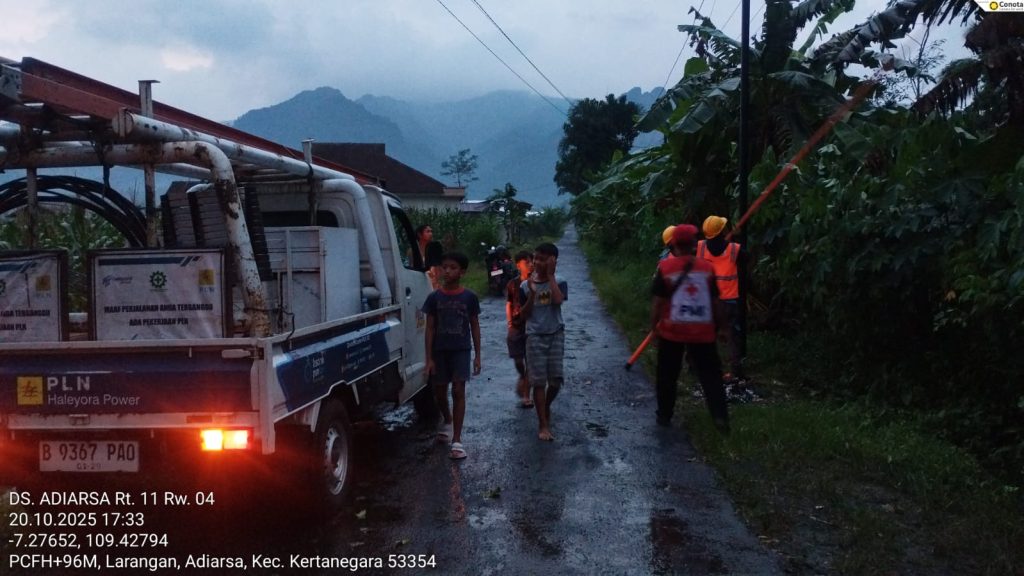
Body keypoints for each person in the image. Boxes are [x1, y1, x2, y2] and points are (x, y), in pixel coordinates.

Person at [650, 224, 729, 433]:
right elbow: (716, 302)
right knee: (711, 375)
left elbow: (657, 303)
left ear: (674, 244)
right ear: (694, 244)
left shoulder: (665, 268)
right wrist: (722, 328)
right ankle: (720, 417)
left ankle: (664, 415)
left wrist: (654, 328)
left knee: (667, 375)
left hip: (672, 331)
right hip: (702, 331)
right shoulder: (707, 268)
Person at [422, 251, 482, 460]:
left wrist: (478, 355)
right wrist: (428, 358)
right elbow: (429, 328)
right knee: (439, 392)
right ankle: (447, 419)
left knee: (458, 390)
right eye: (445, 267)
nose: (447, 271)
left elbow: (474, 325)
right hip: (439, 351)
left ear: (462, 272)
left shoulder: (469, 297)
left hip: (461, 350)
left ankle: (457, 439)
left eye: (453, 267)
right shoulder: (434, 298)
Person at [519, 242, 567, 441]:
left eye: (543, 259)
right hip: (534, 336)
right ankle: (543, 424)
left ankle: (546, 405)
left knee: (555, 381)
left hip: (555, 334)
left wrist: (551, 276)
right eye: (536, 258)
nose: (537, 262)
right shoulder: (524, 286)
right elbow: (523, 315)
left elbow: (557, 300)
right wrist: (532, 294)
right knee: (538, 382)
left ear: (553, 261)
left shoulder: (560, 281)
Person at [698, 215, 745, 380]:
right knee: (732, 337)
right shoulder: (734, 249)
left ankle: (704, 367)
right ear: (722, 231)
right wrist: (737, 237)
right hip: (729, 300)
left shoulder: (700, 247)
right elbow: (747, 260)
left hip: (708, 300)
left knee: (706, 335)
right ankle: (735, 370)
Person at [506, 251, 534, 408]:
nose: (530, 264)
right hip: (516, 324)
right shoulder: (512, 284)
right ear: (518, 265)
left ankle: (526, 394)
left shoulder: (536, 282)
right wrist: (509, 322)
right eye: (526, 262)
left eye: (531, 261)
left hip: (531, 325)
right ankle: (522, 376)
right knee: (518, 359)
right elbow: (509, 303)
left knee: (530, 359)